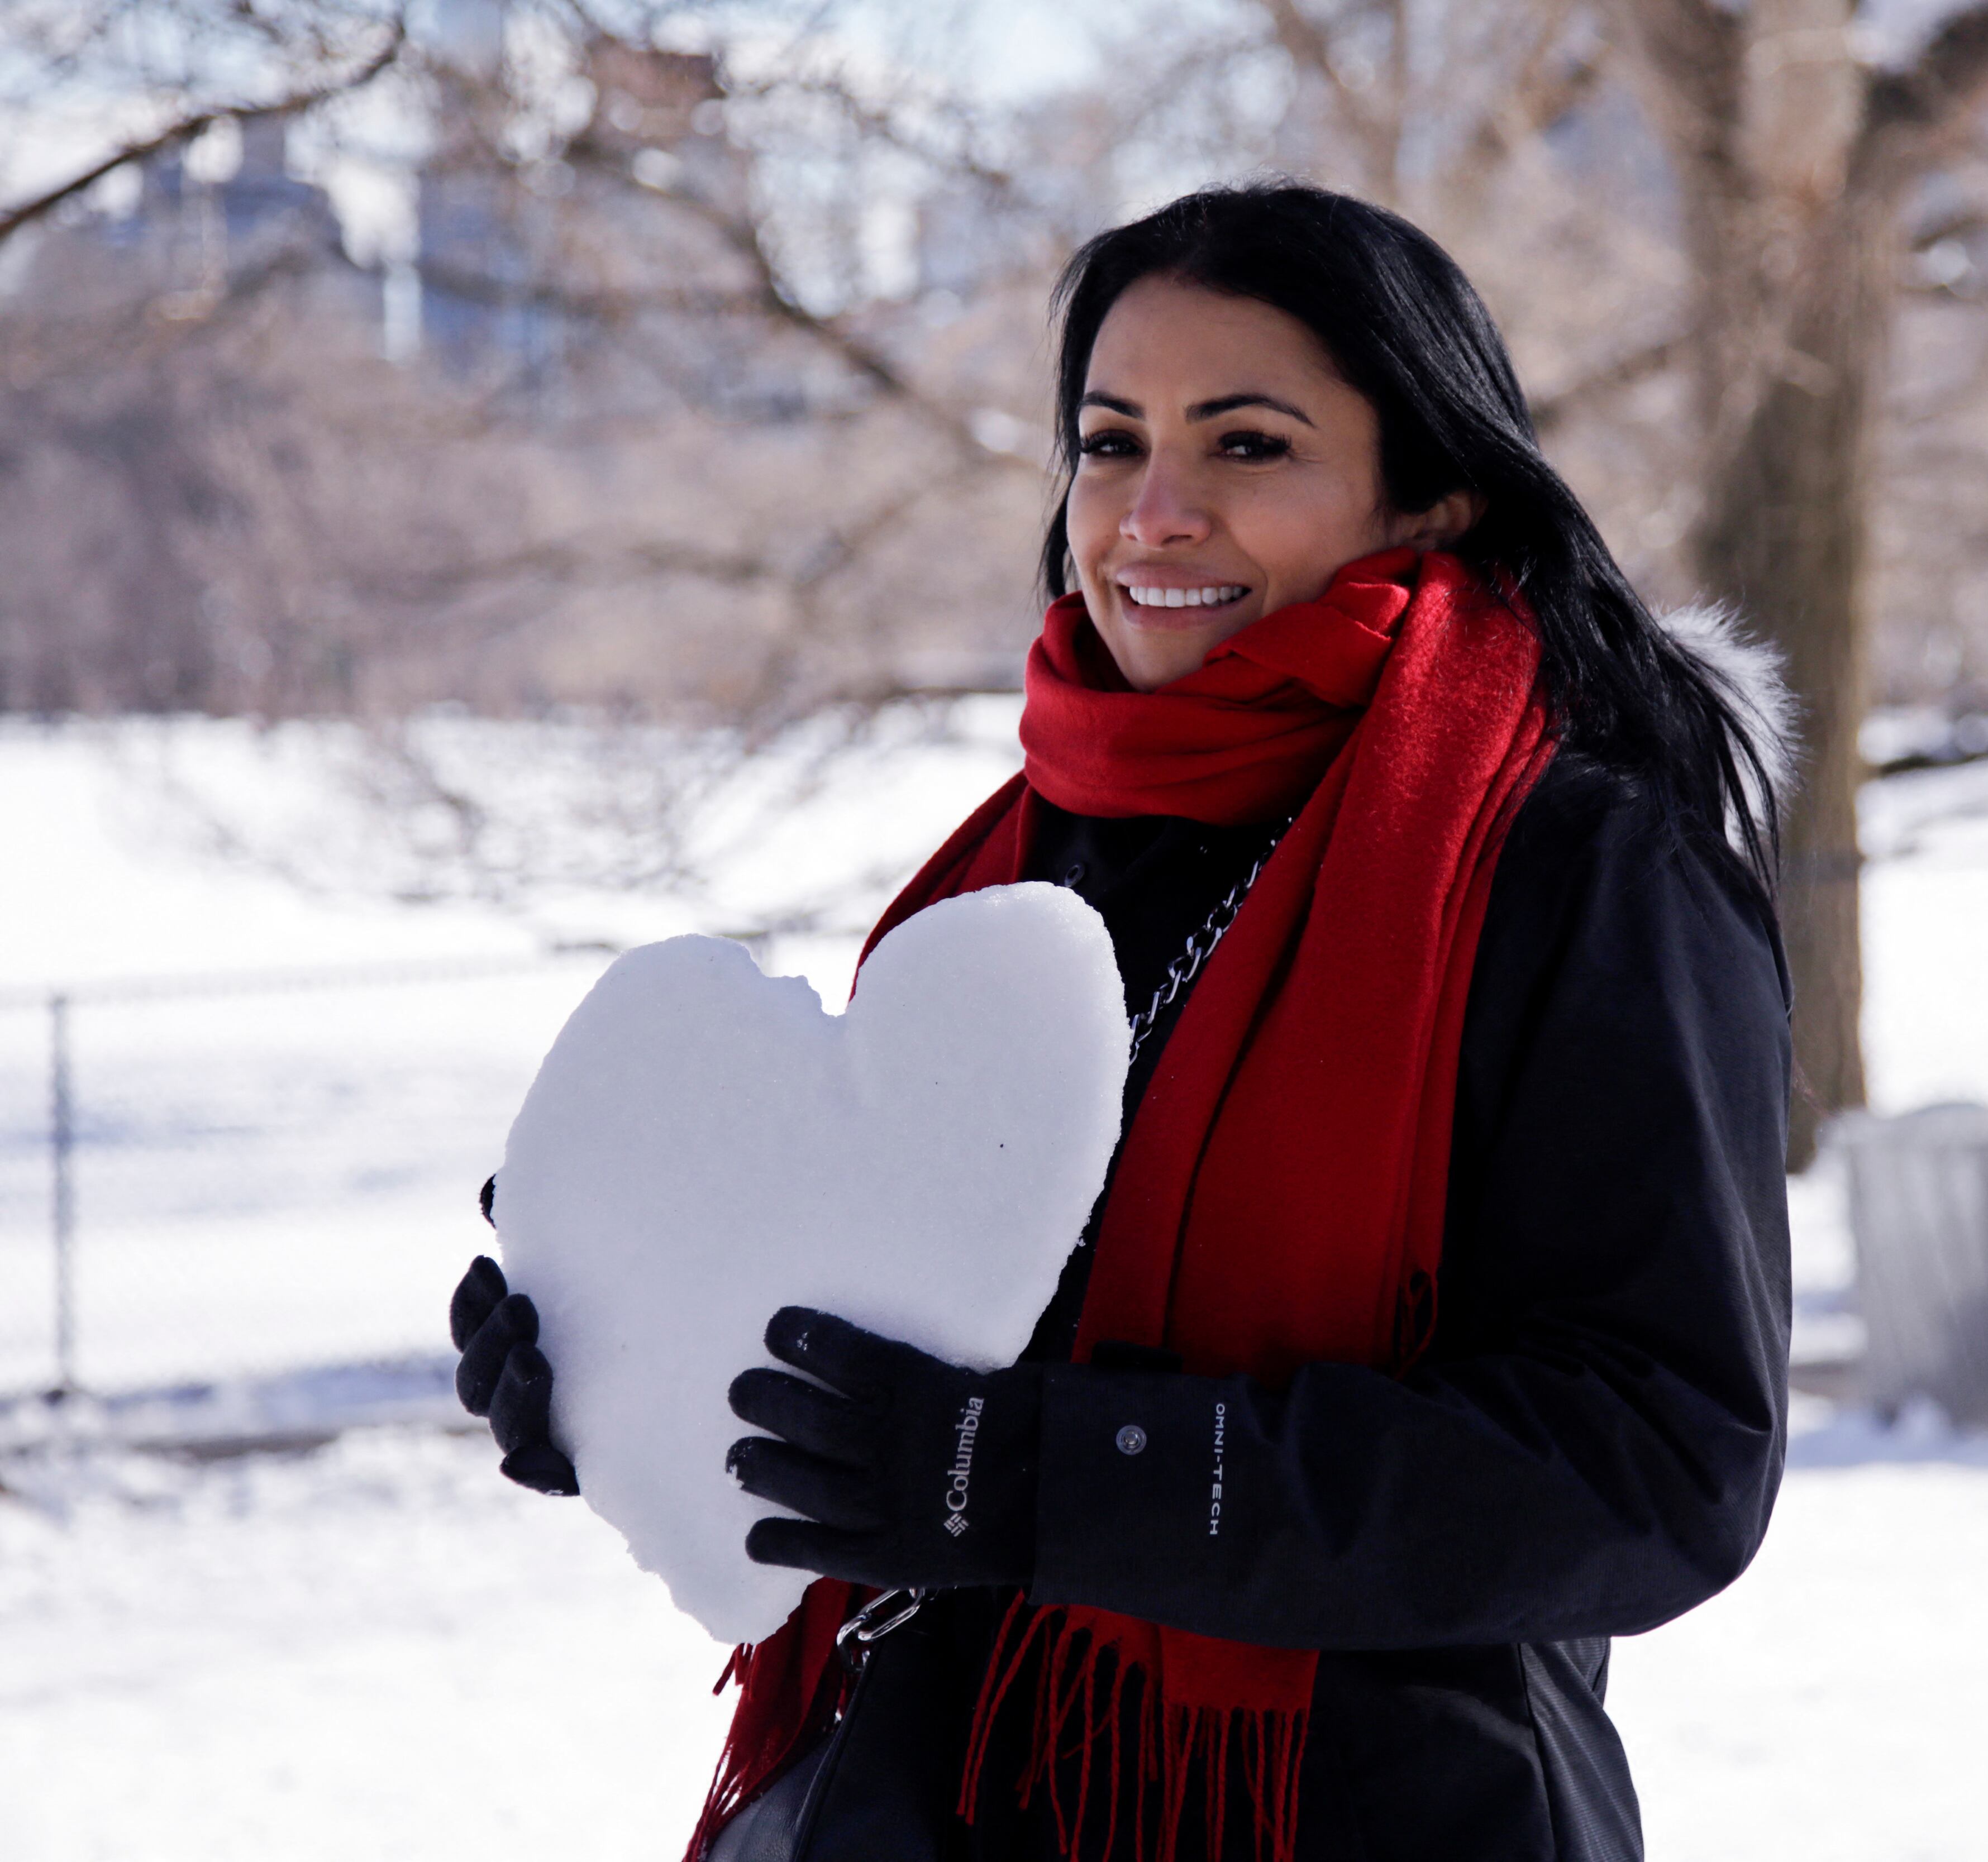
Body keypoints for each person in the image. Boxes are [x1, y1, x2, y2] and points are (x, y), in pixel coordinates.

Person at [449, 180, 1794, 1862]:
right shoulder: (1033, 852)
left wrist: (1036, 1479)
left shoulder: (1583, 859)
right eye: (1109, 442)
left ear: (1433, 497)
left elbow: (1660, 1460)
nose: (1153, 514)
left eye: (1247, 447)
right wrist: (639, 1362)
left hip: (1375, 1814)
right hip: (930, 1794)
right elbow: (904, 1341)